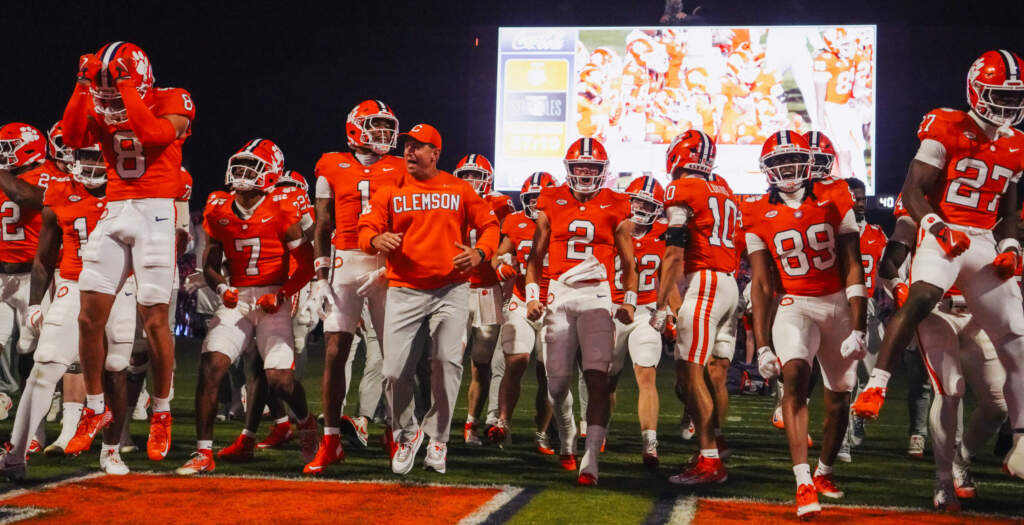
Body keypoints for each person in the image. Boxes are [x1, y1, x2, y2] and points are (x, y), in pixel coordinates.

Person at [851, 49, 1024, 479]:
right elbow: (913, 191)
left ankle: (1021, 438)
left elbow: (1009, 209)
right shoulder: (945, 126)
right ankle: (877, 385)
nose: (1005, 105)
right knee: (927, 296)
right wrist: (935, 223)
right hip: (944, 233)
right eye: (997, 94)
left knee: (1018, 336)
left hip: (982, 241)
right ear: (975, 90)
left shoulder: (1017, 144)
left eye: (1012, 95)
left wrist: (1012, 247)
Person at [61, 42, 195, 461]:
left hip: (156, 211)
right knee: (88, 317)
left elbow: (154, 134)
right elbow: (70, 137)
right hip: (116, 207)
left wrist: (126, 88)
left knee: (154, 320)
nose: (111, 100)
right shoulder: (102, 98)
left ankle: (161, 411)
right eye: (108, 92)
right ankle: (95, 409)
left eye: (117, 88)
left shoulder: (172, 98)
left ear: (138, 78)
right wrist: (83, 85)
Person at [357, 123, 499, 475]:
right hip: (404, 289)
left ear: (435, 153)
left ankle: (438, 439)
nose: (409, 151)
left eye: (418, 146)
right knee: (392, 371)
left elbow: (491, 225)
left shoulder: (459, 187)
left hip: (450, 289)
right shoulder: (391, 188)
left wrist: (481, 252)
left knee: (447, 364)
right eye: (406, 145)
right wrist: (374, 241)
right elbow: (366, 227)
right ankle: (408, 433)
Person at [175, 139, 316, 475]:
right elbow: (210, 263)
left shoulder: (283, 207)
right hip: (237, 297)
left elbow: (307, 264)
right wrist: (222, 287)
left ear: (270, 174)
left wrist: (282, 295)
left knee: (280, 380)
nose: (240, 173)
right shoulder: (218, 207)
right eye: (238, 165)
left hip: (272, 299)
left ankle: (306, 423)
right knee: (212, 364)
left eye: (250, 167)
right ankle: (203, 452)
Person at [746, 131, 865, 518]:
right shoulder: (755, 212)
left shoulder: (836, 196)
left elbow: (852, 263)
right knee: (794, 373)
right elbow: (763, 285)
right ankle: (801, 481)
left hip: (837, 304)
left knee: (839, 398)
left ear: (808, 161)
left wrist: (859, 324)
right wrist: (762, 345)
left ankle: (824, 471)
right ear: (767, 170)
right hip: (796, 303)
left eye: (791, 160)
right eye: (777, 163)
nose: (786, 169)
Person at [1, 143, 137, 478]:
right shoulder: (58, 191)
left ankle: (111, 451)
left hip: (121, 288)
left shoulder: (131, 194)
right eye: (85, 155)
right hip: (74, 285)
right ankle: (16, 455)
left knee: (116, 369)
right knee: (44, 366)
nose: (90, 162)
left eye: (97, 156)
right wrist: (35, 303)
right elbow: (45, 257)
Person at [525, 137, 637, 486]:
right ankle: (567, 431)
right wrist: (533, 295)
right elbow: (535, 256)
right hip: (558, 294)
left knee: (596, 376)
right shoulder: (551, 200)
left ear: (602, 172)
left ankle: (590, 457)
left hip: (598, 296)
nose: (586, 174)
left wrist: (629, 300)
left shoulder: (617, 203)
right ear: (569, 170)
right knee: (556, 385)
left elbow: (630, 262)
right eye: (580, 168)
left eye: (592, 168)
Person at [304, 100, 404, 474]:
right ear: (355, 128)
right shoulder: (330, 164)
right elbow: (322, 224)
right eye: (375, 126)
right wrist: (320, 276)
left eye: (386, 126)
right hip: (345, 262)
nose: (383, 134)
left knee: (394, 358)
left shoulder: (400, 167)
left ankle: (394, 433)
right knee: (334, 351)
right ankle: (330, 440)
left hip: (385, 264)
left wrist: (396, 265)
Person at [651, 130, 739, 484]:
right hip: (730, 283)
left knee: (689, 376)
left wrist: (660, 304)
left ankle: (709, 461)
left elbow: (673, 252)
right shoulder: (725, 190)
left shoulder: (681, 189)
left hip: (705, 284)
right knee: (707, 373)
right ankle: (713, 444)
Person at [488, 172, 566, 458]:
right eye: (532, 199)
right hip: (522, 302)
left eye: (541, 198)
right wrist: (500, 268)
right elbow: (498, 255)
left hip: (553, 305)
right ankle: (503, 423)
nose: (536, 204)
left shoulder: (566, 222)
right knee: (517, 360)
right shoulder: (516, 222)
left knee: (549, 372)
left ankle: (542, 431)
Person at [452, 154, 513, 446]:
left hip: (487, 290)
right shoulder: (448, 199)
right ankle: (437, 421)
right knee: (447, 358)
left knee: (481, 362)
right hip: (456, 288)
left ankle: (471, 425)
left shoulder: (500, 204)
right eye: (465, 175)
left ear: (487, 179)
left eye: (475, 175)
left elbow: (506, 244)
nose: (470, 181)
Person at [610, 175, 668, 468]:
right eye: (638, 201)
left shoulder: (665, 234)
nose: (642, 207)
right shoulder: (613, 228)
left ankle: (650, 442)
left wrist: (667, 308)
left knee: (646, 374)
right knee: (606, 379)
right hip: (612, 309)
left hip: (645, 311)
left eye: (649, 203)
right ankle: (597, 432)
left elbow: (667, 277)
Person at [837, 176, 886, 462]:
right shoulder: (832, 233)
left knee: (878, 375)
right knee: (845, 379)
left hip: (869, 314)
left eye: (861, 198)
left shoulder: (878, 234)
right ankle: (841, 440)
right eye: (853, 198)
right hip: (841, 312)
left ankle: (857, 413)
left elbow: (893, 271)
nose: (859, 203)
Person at [0, 123, 52, 380]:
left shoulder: (44, 175)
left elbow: (24, 197)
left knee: (35, 345)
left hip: (36, 276)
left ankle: (50, 393)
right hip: (3, 276)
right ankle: (5, 395)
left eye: (8, 148)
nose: (3, 154)